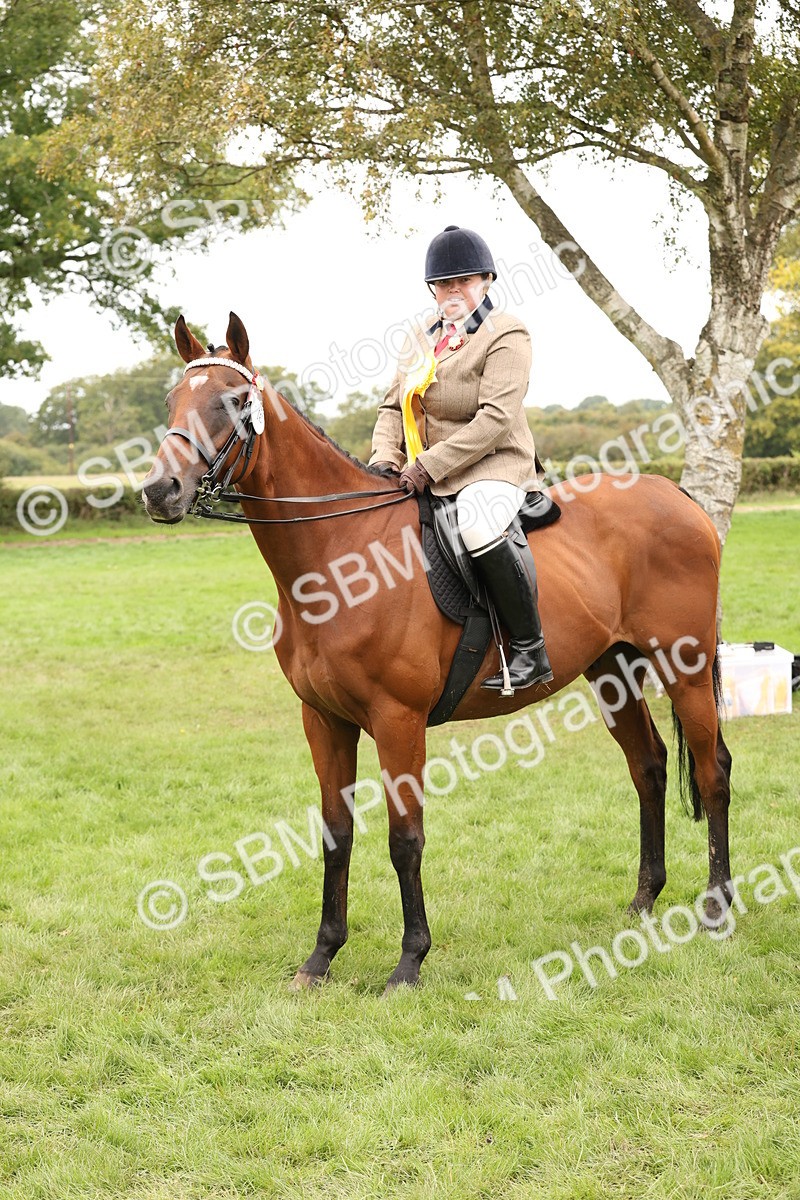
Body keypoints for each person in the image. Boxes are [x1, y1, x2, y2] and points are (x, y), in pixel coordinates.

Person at [369, 224, 553, 691]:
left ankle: (530, 649)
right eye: (443, 283)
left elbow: (495, 419)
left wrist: (427, 466)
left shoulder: (506, 332)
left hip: (494, 465)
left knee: (476, 523)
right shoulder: (419, 335)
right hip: (422, 471)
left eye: (464, 280)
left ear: (486, 281)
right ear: (432, 288)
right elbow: (393, 406)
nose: (453, 290)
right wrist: (384, 460)